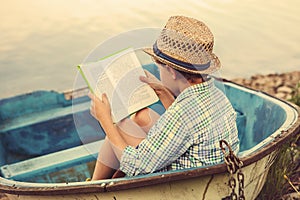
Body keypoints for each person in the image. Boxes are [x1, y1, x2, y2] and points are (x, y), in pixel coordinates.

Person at [89, 15, 239, 180]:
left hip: (183, 181)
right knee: (138, 117)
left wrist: (105, 120)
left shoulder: (182, 114)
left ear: (172, 72)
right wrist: (165, 94)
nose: (158, 72)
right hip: (205, 170)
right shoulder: (217, 96)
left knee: (118, 128)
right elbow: (191, 128)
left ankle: (93, 188)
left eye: (159, 67)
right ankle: (104, 185)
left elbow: (137, 166)